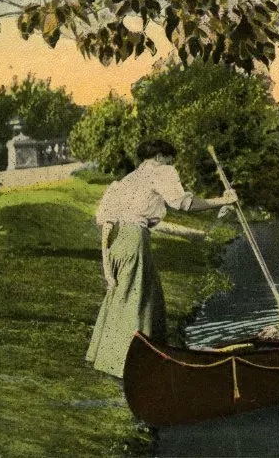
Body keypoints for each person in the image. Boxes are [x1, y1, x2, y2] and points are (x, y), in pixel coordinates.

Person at [85, 140, 238, 378]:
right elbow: (185, 204)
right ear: (158, 157)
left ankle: (113, 361)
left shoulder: (128, 180)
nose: (170, 164)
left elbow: (108, 222)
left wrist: (107, 266)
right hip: (134, 241)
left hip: (116, 243)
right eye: (169, 159)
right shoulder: (161, 172)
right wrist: (223, 200)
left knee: (125, 297)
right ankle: (136, 366)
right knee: (141, 302)